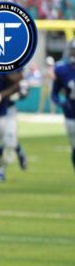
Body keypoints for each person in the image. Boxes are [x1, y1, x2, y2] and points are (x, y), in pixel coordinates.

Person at [51, 38, 75, 171]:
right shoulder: (62, 70)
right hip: (71, 115)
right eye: (73, 51)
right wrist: (62, 103)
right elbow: (54, 93)